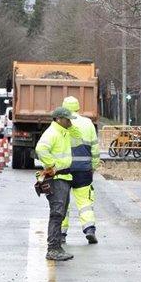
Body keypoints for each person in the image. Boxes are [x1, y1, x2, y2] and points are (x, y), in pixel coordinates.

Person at [35, 107, 76, 261]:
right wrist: (52, 165)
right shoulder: (53, 133)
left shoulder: (62, 131)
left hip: (63, 178)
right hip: (57, 179)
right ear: (59, 119)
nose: (70, 122)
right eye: (67, 119)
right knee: (57, 214)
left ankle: (56, 247)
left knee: (60, 213)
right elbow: (41, 149)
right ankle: (53, 248)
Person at [61, 96, 100, 244]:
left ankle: (61, 233)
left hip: (64, 170)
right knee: (85, 202)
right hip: (83, 169)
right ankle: (89, 229)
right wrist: (94, 165)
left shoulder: (60, 124)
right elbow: (94, 147)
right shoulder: (88, 123)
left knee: (63, 201)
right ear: (78, 107)